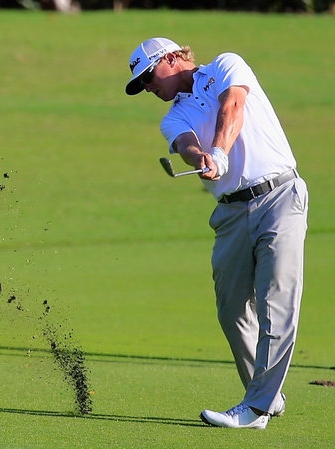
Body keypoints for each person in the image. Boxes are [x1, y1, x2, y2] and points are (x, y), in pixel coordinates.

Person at [125, 37, 309, 429]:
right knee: (232, 310)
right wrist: (202, 157)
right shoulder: (173, 117)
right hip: (231, 213)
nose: (147, 86)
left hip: (279, 196)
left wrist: (221, 152)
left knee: (276, 302)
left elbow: (233, 106)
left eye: (148, 76)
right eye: (140, 84)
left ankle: (255, 408)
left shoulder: (225, 65)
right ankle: (268, 396)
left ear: (172, 57)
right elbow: (186, 144)